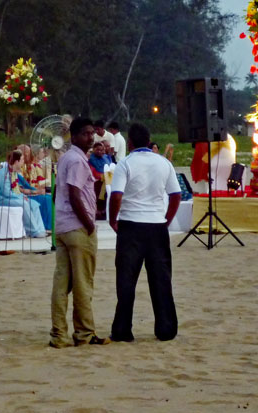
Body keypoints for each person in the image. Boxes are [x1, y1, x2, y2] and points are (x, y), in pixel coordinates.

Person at [107, 122, 181, 342]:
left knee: (126, 280)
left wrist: (113, 219)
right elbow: (176, 194)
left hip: (131, 225)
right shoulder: (164, 163)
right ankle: (166, 328)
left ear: (129, 143)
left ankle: (122, 329)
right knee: (161, 279)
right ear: (149, 142)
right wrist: (166, 219)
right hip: (156, 226)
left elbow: (117, 195)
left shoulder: (125, 163)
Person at [49, 116, 110, 348]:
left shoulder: (67, 159)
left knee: (62, 283)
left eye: (92, 133)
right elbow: (74, 194)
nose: (90, 137)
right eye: (85, 133)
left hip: (64, 226)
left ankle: (58, 334)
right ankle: (84, 333)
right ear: (73, 136)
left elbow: (58, 193)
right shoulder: (75, 160)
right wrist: (89, 223)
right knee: (83, 282)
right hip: (77, 227)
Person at [0, 151, 46, 237]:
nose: (23, 162)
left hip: (10, 198)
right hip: (1, 200)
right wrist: (20, 197)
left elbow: (15, 190)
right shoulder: (4, 173)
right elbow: (6, 193)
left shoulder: (13, 172)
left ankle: (40, 230)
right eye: (21, 160)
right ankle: (33, 231)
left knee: (34, 204)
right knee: (24, 203)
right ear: (16, 161)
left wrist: (22, 196)